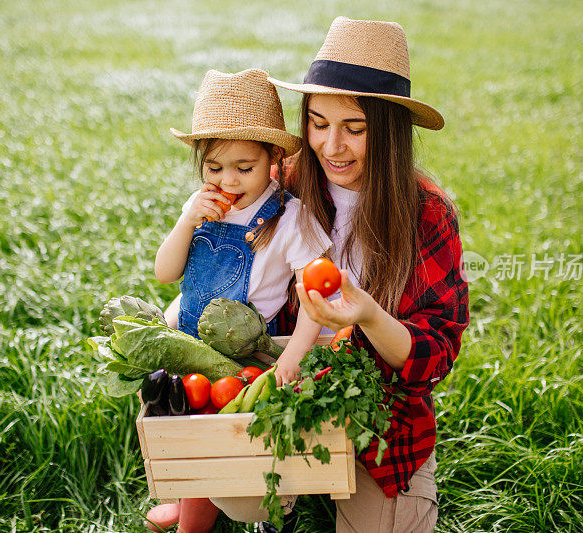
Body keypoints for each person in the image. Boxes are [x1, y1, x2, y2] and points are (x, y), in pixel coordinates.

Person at [265, 16, 470, 533]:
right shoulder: (288, 186)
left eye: (354, 129)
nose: (332, 146)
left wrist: (370, 315)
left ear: (388, 130)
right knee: (245, 492)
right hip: (290, 382)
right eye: (318, 123)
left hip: (383, 407)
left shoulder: (426, 213)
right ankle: (276, 503)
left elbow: (436, 353)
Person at [147, 68, 331, 533]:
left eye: (243, 168)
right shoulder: (202, 205)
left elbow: (315, 295)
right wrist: (187, 220)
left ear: (273, 159)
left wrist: (292, 356)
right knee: (186, 424)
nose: (227, 180)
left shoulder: (290, 218)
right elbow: (165, 273)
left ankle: (273, 511)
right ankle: (191, 501)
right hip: (191, 339)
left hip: (245, 351)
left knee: (236, 434)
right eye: (214, 168)